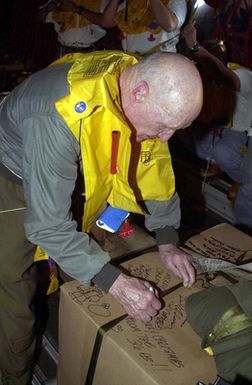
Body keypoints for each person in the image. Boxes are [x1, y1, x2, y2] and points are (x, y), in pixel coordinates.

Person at [0, 50, 202, 385]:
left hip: (74, 168)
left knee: (94, 255)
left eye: (176, 129)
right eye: (165, 126)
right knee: (13, 286)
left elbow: (153, 166)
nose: (166, 137)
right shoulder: (57, 113)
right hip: (13, 175)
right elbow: (47, 225)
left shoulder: (138, 87)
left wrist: (166, 239)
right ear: (140, 93)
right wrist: (117, 284)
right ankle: (14, 375)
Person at [180, 23, 252, 234]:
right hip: (225, 128)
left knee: (245, 181)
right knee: (196, 143)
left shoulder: (242, 75)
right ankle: (240, 177)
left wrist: (196, 48)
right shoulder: (207, 79)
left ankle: (243, 229)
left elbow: (227, 77)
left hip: (244, 130)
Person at [71, 0, 188, 54]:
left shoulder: (175, 1)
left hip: (162, 63)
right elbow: (106, 22)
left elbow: (170, 25)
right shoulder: (130, 4)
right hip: (133, 63)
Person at [39, 0, 110, 56]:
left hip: (89, 51)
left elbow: (105, 22)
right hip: (64, 50)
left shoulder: (100, 1)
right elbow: (39, 18)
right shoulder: (58, 1)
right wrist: (47, 9)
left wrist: (76, 9)